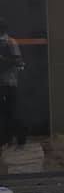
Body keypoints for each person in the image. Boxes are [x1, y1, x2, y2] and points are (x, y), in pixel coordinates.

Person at [0, 18, 24, 147]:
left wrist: (3, 60)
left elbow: (17, 62)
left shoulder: (10, 42)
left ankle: (16, 137)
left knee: (10, 111)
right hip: (7, 82)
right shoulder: (9, 42)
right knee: (7, 111)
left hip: (8, 82)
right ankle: (8, 138)